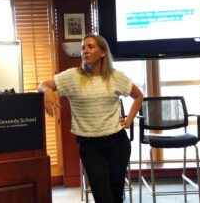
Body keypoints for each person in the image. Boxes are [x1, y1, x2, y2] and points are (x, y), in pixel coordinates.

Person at [38, 33, 143, 203]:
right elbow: (43, 84)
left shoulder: (116, 77)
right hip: (91, 147)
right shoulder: (73, 76)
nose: (85, 50)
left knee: (116, 194)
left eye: (90, 47)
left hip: (118, 144)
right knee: (103, 196)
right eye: (83, 48)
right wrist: (48, 92)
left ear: (102, 53)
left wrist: (129, 119)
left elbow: (138, 96)